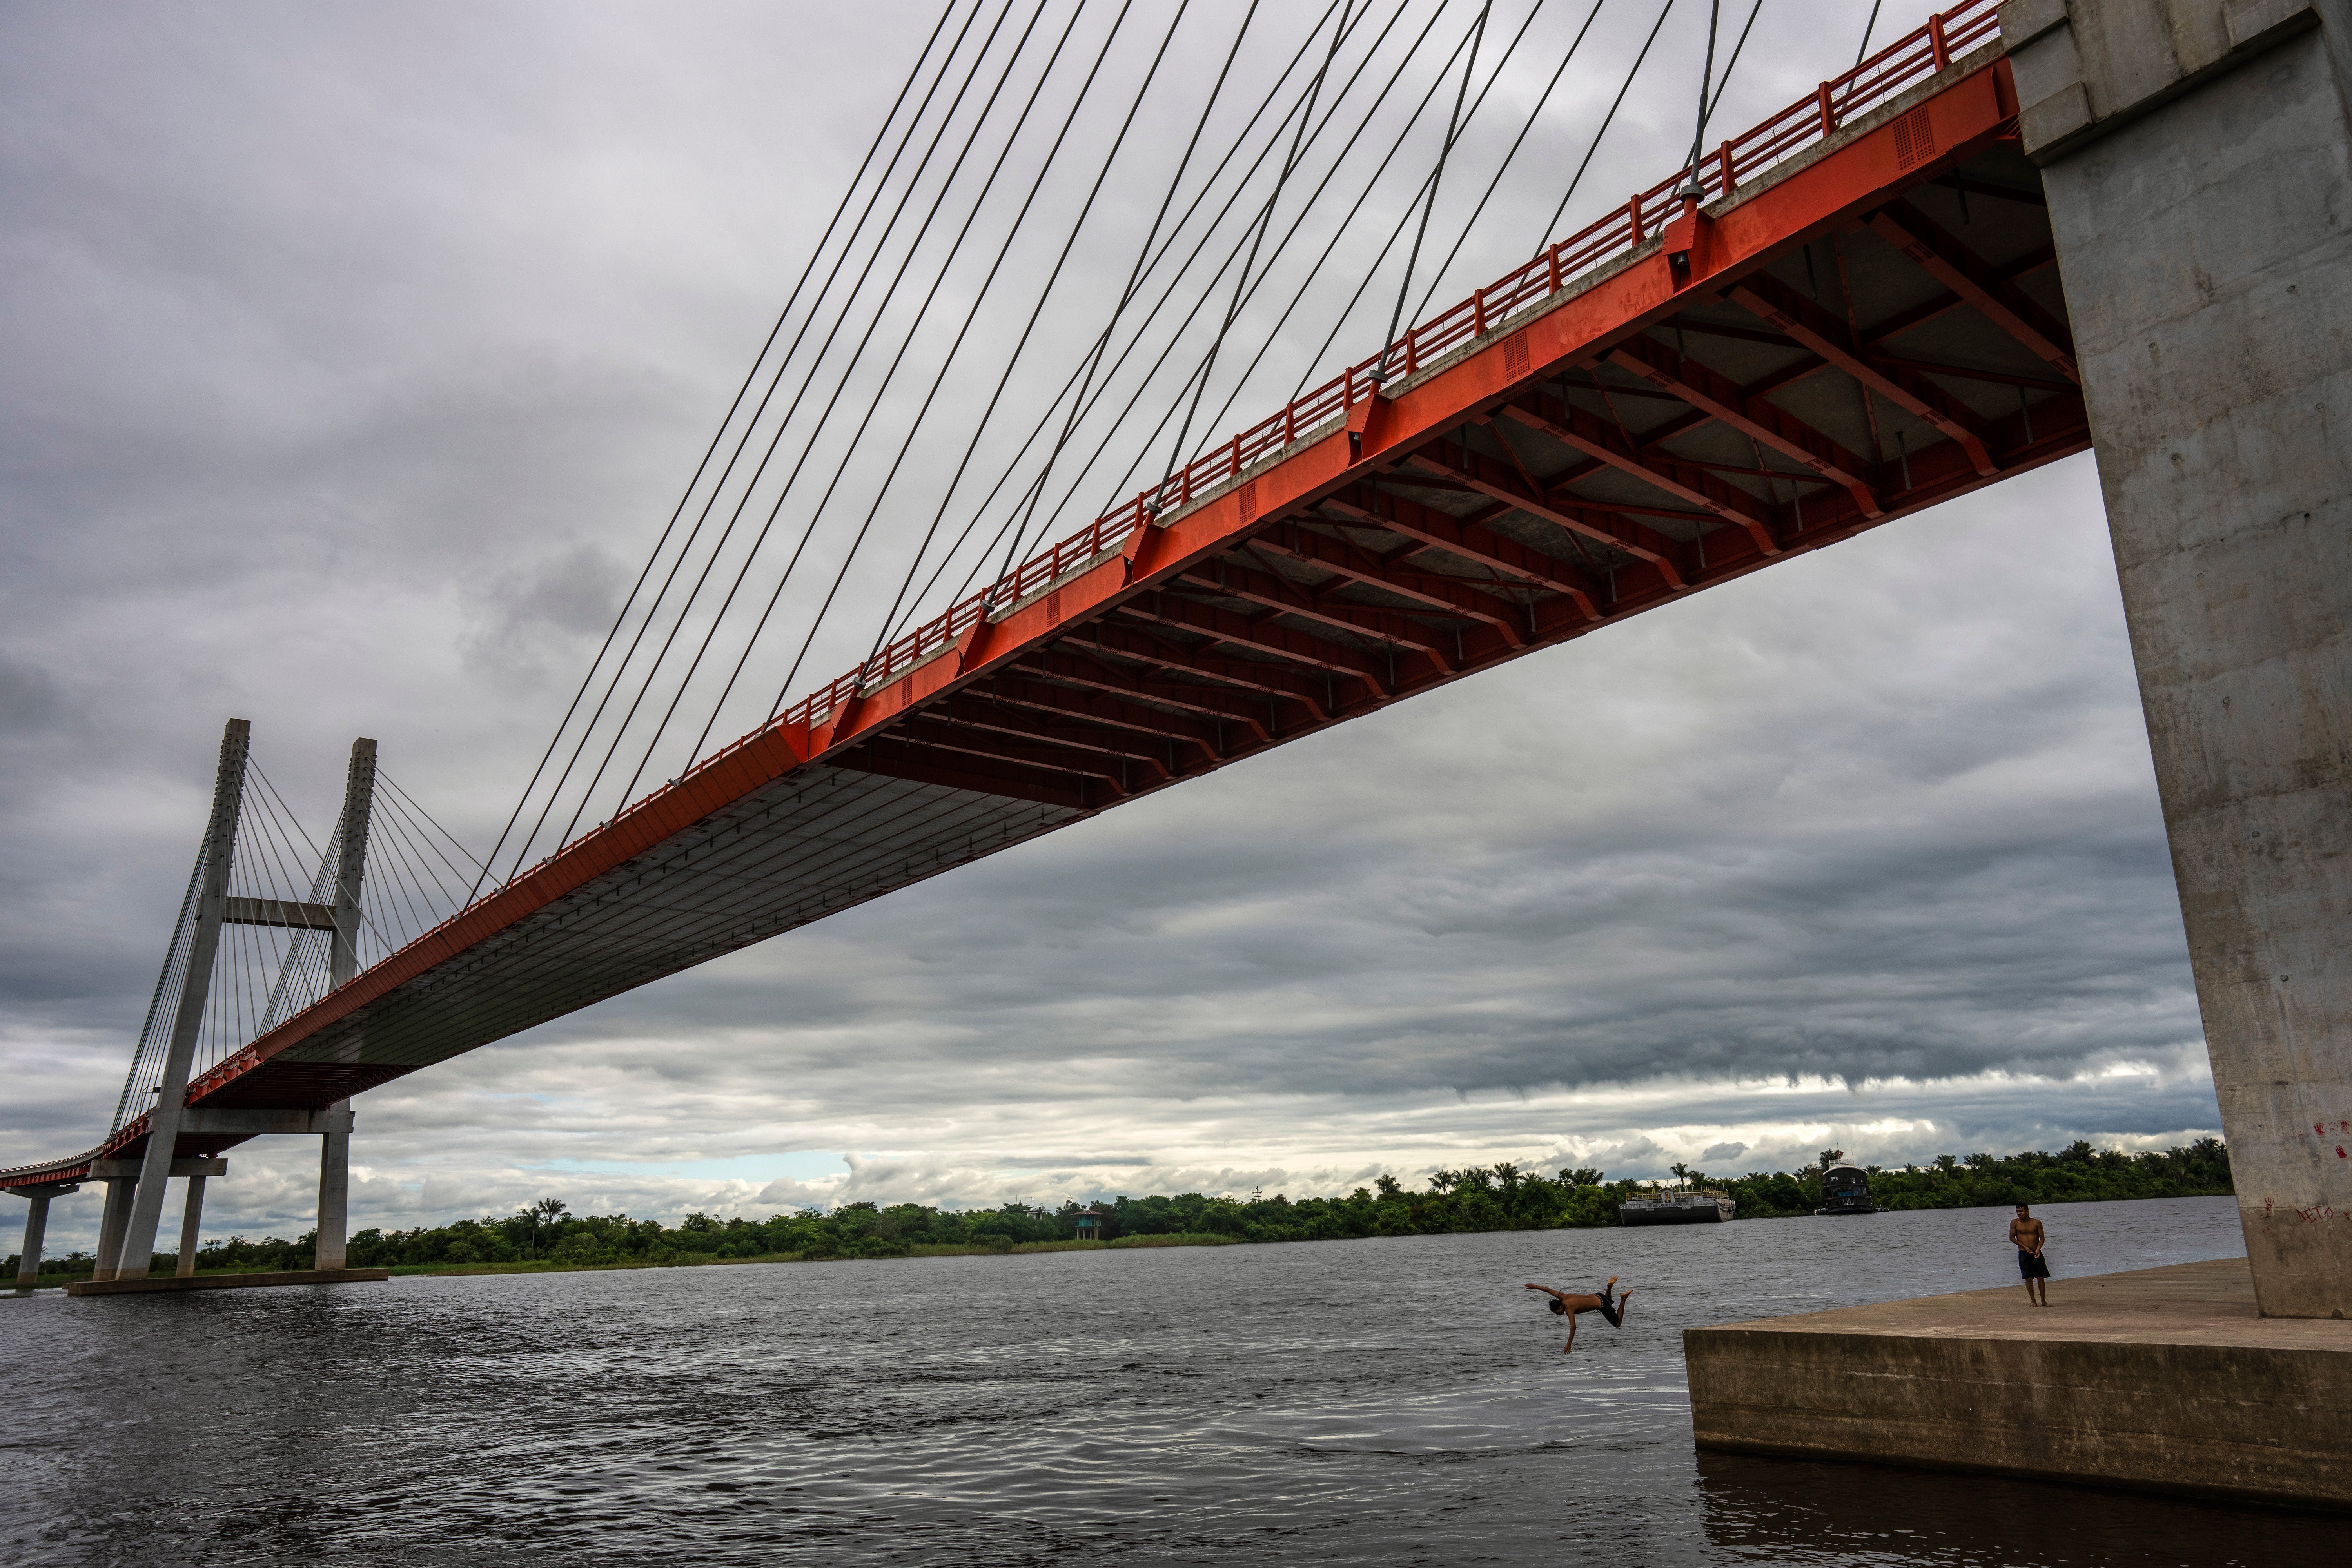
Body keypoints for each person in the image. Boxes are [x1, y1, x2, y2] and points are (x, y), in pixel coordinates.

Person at [1523, 1278, 1633, 1355]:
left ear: (1561, 1306)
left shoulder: (1569, 1308)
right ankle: (1609, 1287)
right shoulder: (1563, 1296)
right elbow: (1548, 1290)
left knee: (1618, 1324)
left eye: (1558, 1312)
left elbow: (1573, 1327)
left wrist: (1569, 1344)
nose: (1558, 1315)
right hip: (1598, 1296)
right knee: (1609, 1303)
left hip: (1602, 1305)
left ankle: (1623, 1299)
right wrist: (1535, 1287)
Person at [2010, 1203, 2051, 1305]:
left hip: (2036, 1252)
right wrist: (2025, 1247)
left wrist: (2038, 1249)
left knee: (2041, 1277)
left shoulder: (2036, 1223)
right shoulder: (2015, 1223)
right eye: (2017, 1212)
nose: (2019, 1214)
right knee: (2028, 1278)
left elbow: (2042, 1238)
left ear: (2027, 1211)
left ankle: (2044, 1301)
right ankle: (2033, 1301)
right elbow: (2012, 1238)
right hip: (2024, 1253)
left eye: (2021, 1211)